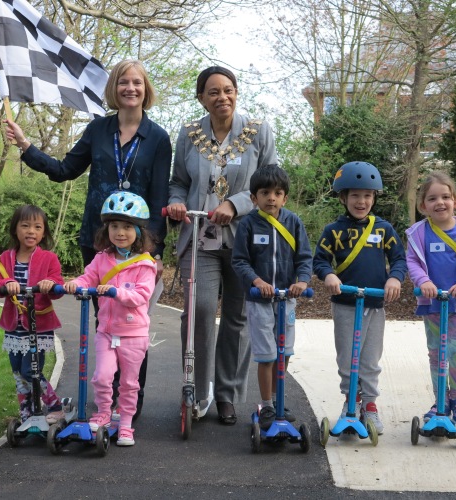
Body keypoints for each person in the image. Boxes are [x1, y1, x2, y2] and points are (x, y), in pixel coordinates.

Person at [5, 59, 171, 417]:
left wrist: (155, 252)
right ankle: (106, 396)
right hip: (97, 240)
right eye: (123, 82)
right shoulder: (98, 129)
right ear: (114, 88)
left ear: (146, 89)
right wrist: (26, 145)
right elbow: (65, 170)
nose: (130, 88)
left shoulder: (158, 137)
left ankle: (130, 405)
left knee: (132, 322)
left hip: (138, 247)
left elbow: (158, 197)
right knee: (105, 319)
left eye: (137, 83)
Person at [166, 66, 279, 425]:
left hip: (247, 241)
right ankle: (197, 393)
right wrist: (177, 202)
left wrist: (237, 204)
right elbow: (178, 182)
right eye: (213, 92)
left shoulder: (258, 131)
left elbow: (273, 182)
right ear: (201, 97)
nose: (222, 98)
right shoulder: (188, 133)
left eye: (228, 90)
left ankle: (227, 395)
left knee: (238, 318)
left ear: (237, 92)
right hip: (200, 239)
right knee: (198, 312)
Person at [312, 161, 407, 435]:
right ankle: (350, 400)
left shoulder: (383, 230)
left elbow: (398, 258)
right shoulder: (333, 230)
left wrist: (394, 278)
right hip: (345, 304)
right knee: (347, 359)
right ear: (343, 198)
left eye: (367, 195)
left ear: (374, 197)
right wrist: (328, 275)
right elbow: (320, 260)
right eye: (355, 195)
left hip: (375, 305)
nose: (361, 201)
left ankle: (371, 405)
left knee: (369, 359)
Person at [64, 191, 156, 446]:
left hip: (134, 333)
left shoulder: (144, 264)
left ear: (139, 231)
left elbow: (142, 295)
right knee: (103, 376)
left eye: (127, 227)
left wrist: (117, 292)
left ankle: (125, 422)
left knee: (129, 382)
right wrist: (76, 284)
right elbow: (89, 277)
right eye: (114, 226)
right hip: (106, 329)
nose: (120, 232)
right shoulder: (102, 258)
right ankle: (104, 412)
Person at [231, 166, 312, 429]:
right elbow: (240, 261)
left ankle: (279, 401)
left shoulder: (293, 222)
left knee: (285, 352)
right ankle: (266, 405)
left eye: (278, 193)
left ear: (285, 198)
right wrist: (257, 281)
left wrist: (302, 281)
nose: (272, 198)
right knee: (266, 355)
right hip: (260, 301)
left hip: (287, 299)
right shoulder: (248, 224)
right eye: (265, 193)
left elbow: (304, 257)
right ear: (254, 198)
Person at [405, 171, 456, 424]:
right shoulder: (418, 233)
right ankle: (440, 399)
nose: (440, 202)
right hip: (432, 304)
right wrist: (424, 282)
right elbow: (413, 261)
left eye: (445, 197)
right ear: (423, 206)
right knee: (436, 353)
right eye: (432, 198)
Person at [0, 205, 66, 424]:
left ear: (43, 233)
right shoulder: (5, 258)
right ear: (15, 230)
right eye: (25, 226)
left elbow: (58, 286)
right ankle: (27, 411)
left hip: (38, 324)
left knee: (30, 369)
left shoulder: (49, 258)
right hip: (14, 326)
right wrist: (6, 284)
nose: (31, 231)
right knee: (17, 370)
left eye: (37, 227)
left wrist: (50, 284)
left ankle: (54, 405)